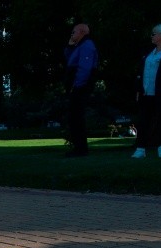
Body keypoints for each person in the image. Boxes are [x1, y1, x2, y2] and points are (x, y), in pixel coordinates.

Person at [131, 24, 161, 159]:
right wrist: (139, 89)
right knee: (143, 120)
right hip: (147, 92)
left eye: (154, 34)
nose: (152, 36)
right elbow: (141, 72)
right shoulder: (149, 53)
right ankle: (140, 148)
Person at [63, 23, 99, 157]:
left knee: (76, 116)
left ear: (82, 32)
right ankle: (79, 147)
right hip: (77, 85)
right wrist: (70, 45)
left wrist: (76, 85)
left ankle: (81, 148)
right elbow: (69, 59)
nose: (72, 34)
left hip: (80, 86)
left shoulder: (87, 45)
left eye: (74, 32)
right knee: (74, 117)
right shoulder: (80, 46)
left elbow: (85, 68)